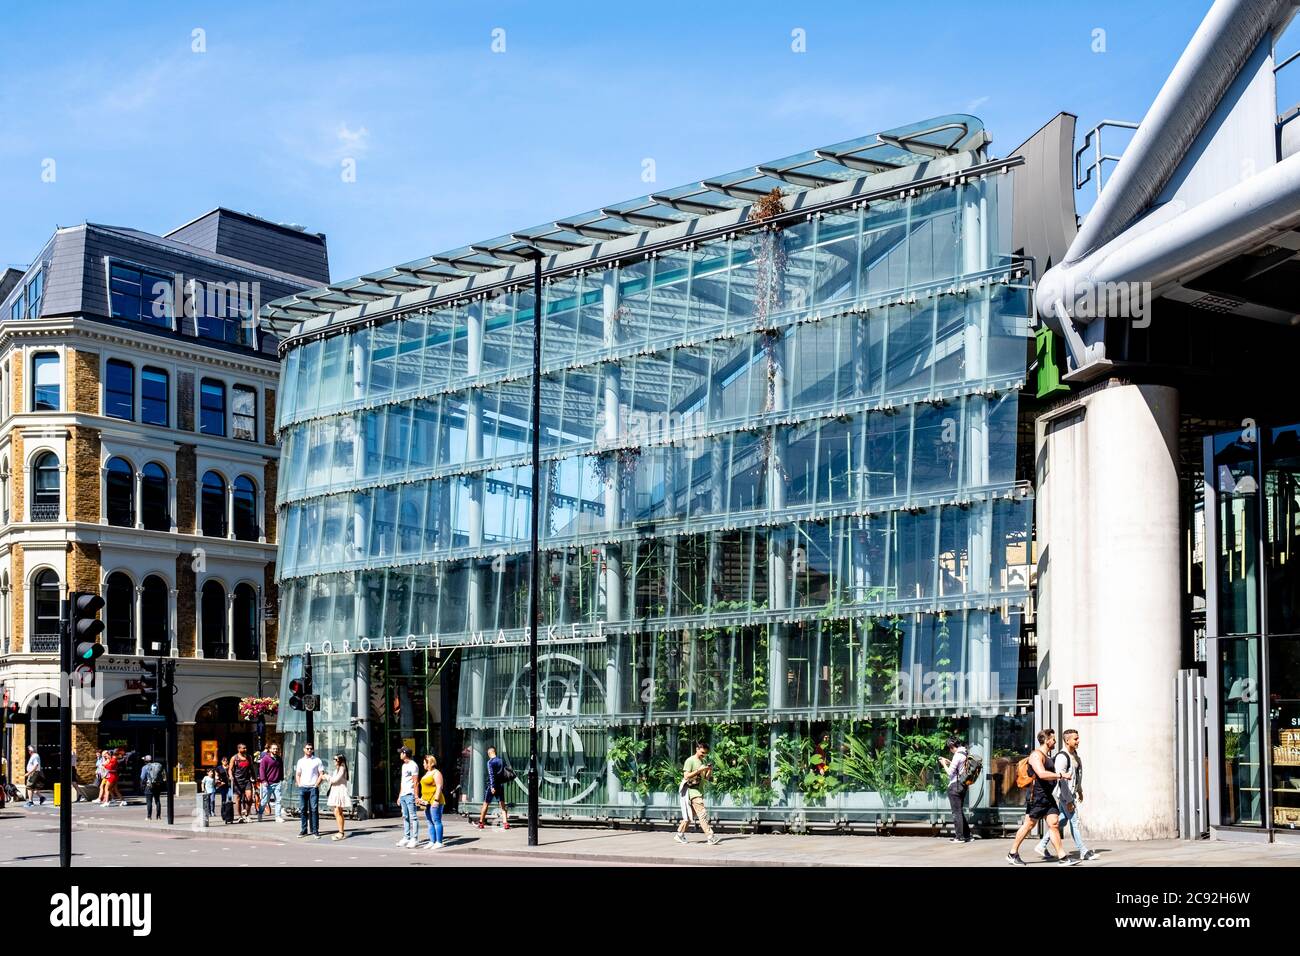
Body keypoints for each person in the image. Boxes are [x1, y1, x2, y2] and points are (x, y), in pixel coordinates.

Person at [1006, 729, 1080, 866]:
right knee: (1029, 825)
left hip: (1047, 796)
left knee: (1054, 823)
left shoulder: (1047, 755)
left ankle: (1062, 857)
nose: (1055, 741)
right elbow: (1041, 774)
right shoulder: (1036, 755)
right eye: (1053, 739)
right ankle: (1012, 853)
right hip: (1037, 797)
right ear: (1046, 740)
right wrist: (1060, 775)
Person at [1033, 729, 1096, 861]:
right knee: (1074, 822)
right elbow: (1061, 780)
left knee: (1061, 820)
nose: (1078, 741)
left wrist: (1079, 790)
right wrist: (1068, 800)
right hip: (1065, 795)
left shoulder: (1074, 754)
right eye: (1075, 739)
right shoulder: (1063, 756)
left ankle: (1041, 844)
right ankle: (1083, 851)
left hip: (1071, 794)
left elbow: (1076, 776)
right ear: (1067, 741)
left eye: (1078, 738)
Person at [674, 740, 719, 845]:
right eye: (702, 752)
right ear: (697, 749)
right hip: (692, 792)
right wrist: (699, 770)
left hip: (699, 791)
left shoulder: (702, 762)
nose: (704, 755)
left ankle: (679, 834)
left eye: (706, 753)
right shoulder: (690, 760)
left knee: (690, 816)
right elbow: (686, 776)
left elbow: (706, 778)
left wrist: (709, 769)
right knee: (702, 814)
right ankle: (710, 836)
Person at [939, 735, 972, 844]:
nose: (950, 749)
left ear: (953, 745)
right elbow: (959, 768)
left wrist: (943, 764)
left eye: (950, 747)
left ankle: (959, 837)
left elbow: (949, 773)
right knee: (959, 811)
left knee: (956, 812)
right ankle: (967, 835)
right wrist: (949, 762)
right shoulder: (965, 752)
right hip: (963, 785)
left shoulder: (957, 755)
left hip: (955, 786)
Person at [294, 742, 324, 838]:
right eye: (307, 748)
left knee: (314, 809)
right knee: (303, 809)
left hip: (313, 788)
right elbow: (298, 774)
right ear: (304, 749)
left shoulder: (317, 760)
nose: (309, 750)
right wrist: (299, 784)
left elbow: (321, 774)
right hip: (303, 788)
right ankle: (304, 830)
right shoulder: (300, 761)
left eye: (311, 748)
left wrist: (316, 785)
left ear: (313, 750)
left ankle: (315, 831)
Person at [476, 745, 509, 830]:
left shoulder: (490, 762)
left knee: (486, 804)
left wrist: (492, 786)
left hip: (492, 786)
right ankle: (505, 823)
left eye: (488, 753)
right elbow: (504, 773)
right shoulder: (501, 761)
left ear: (490, 753)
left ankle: (481, 822)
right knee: (502, 805)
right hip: (500, 785)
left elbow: (491, 775)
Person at [418, 754, 445, 849]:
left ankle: (439, 842)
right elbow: (425, 787)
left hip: (435, 800)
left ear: (429, 763)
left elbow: (439, 787)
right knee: (429, 821)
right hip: (426, 801)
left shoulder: (436, 773)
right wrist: (421, 798)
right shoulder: (427, 773)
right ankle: (432, 841)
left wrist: (436, 800)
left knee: (436, 820)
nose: (423, 764)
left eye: (424, 762)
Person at [396, 746, 420, 848]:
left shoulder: (413, 765)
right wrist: (399, 796)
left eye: (401, 752)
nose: (400, 754)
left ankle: (414, 838)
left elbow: (416, 782)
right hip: (404, 795)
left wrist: (416, 796)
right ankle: (406, 837)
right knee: (405, 817)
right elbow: (403, 782)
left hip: (410, 794)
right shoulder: (404, 766)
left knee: (413, 817)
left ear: (405, 753)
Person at [257, 743, 284, 823]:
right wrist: (264, 780)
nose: (275, 750)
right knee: (265, 800)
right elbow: (261, 770)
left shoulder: (279, 759)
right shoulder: (265, 759)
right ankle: (260, 813)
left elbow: (281, 769)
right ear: (270, 749)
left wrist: (281, 778)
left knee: (278, 800)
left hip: (277, 782)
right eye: (274, 749)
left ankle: (278, 816)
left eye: (276, 749)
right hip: (268, 783)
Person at [327, 754, 351, 840]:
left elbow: (334, 780)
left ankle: (341, 832)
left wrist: (326, 777)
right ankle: (341, 831)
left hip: (339, 791)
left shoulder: (342, 768)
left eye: (335, 759)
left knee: (338, 812)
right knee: (337, 812)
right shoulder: (338, 769)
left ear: (339, 760)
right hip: (336, 791)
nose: (334, 760)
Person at [229, 743, 255, 822]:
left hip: (247, 780)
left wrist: (254, 777)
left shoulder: (249, 757)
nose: (245, 749)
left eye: (246, 748)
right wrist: (231, 776)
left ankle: (246, 815)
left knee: (250, 798)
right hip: (237, 781)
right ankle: (240, 816)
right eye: (243, 748)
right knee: (238, 799)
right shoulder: (234, 758)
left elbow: (251, 768)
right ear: (239, 749)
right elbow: (230, 769)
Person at [140, 754, 164, 820]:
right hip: (157, 785)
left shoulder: (144, 767)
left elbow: (142, 777)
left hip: (149, 786)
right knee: (157, 801)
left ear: (145, 761)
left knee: (149, 802)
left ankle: (149, 816)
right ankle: (158, 816)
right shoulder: (157, 766)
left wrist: (142, 786)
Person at [215, 756, 232, 821]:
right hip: (222, 785)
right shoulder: (219, 768)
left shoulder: (229, 767)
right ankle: (224, 814)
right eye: (224, 760)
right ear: (222, 761)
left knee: (230, 797)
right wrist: (219, 781)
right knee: (223, 800)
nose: (225, 761)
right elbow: (216, 776)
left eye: (226, 760)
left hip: (229, 785)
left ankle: (229, 812)